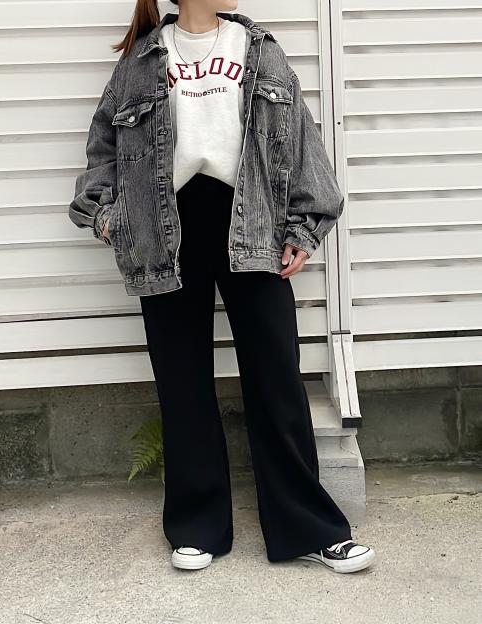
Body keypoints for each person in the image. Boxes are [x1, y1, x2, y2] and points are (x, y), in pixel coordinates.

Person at [69, 0, 376, 574]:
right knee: (182, 381)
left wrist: (304, 228)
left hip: (250, 221)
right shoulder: (140, 62)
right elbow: (103, 149)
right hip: (166, 228)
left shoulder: (259, 50)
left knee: (276, 377)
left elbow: (300, 139)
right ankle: (197, 525)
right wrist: (109, 217)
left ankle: (309, 528)